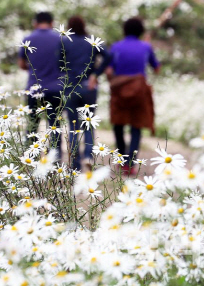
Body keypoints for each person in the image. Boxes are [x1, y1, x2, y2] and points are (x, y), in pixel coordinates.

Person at [93, 17, 160, 176]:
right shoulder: (146, 46)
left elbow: (109, 71)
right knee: (136, 126)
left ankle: (121, 161)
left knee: (118, 125)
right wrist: (146, 48)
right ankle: (131, 164)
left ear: (124, 30)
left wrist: (114, 82)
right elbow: (156, 68)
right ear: (141, 31)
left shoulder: (116, 47)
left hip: (119, 91)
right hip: (139, 92)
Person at [61, 16, 108, 171]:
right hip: (89, 87)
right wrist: (96, 73)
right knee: (88, 124)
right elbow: (109, 56)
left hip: (71, 88)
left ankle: (75, 162)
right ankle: (88, 156)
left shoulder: (65, 42)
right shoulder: (91, 41)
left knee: (74, 126)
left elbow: (58, 63)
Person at [18, 12, 63, 152]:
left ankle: (30, 158)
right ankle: (55, 160)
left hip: (34, 88)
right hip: (55, 89)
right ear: (52, 23)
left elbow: (21, 64)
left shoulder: (28, 39)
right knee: (55, 126)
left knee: (32, 125)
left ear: (35, 23)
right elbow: (65, 64)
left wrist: (33, 68)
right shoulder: (60, 39)